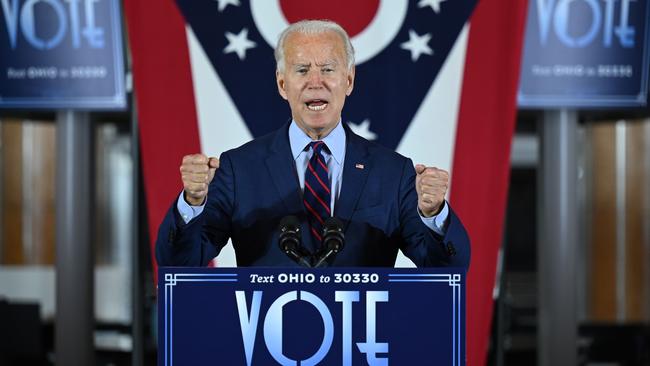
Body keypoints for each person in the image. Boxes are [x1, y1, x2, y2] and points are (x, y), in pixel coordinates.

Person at [156, 20, 470, 268]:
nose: (315, 81)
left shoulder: (393, 172)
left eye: (329, 69)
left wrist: (434, 213)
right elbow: (178, 262)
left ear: (348, 80)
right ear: (282, 83)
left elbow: (446, 269)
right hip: (265, 341)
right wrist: (192, 203)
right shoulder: (239, 169)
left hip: (363, 340)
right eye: (302, 70)